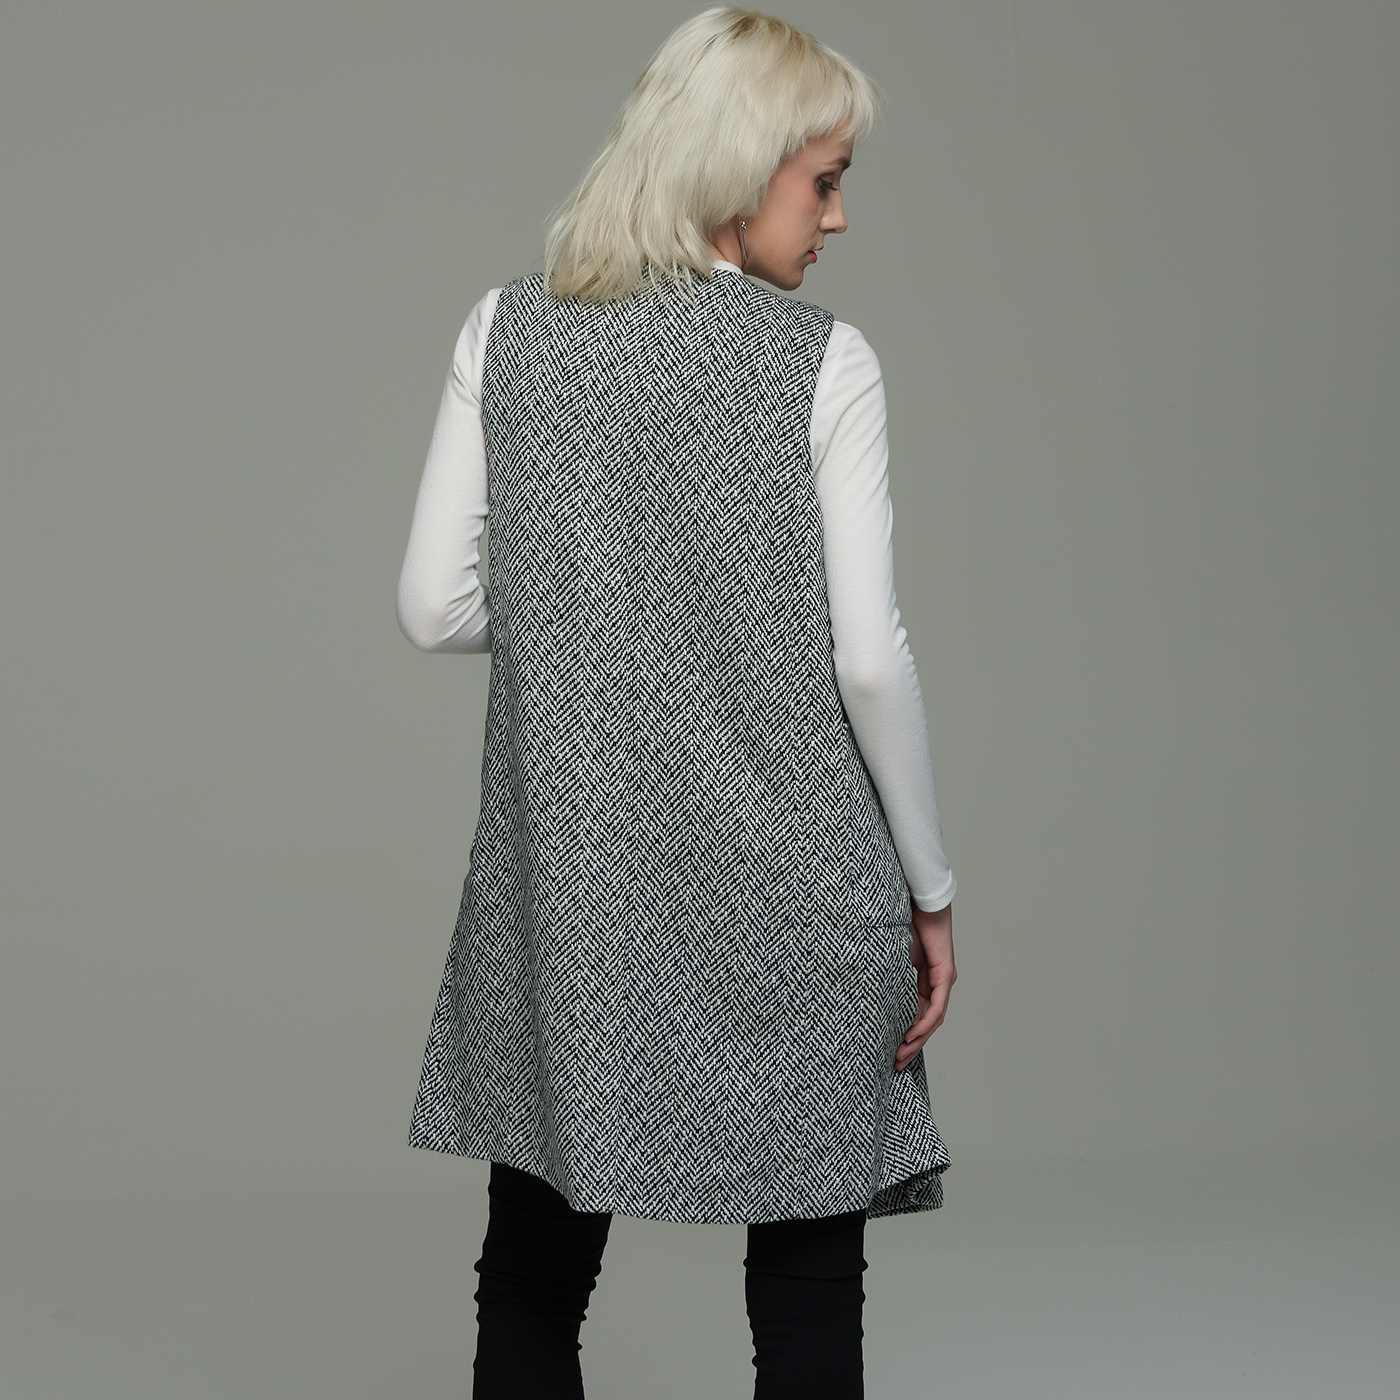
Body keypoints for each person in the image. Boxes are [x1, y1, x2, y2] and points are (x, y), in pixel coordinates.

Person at [395, 8, 957, 1396]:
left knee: (534, 1263)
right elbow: (868, 657)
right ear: (739, 170)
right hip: (799, 884)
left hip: (572, 883)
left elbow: (434, 609)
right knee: (810, 1274)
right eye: (823, 180)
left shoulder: (505, 327)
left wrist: (601, 631)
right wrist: (931, 890)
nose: (838, 217)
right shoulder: (824, 361)